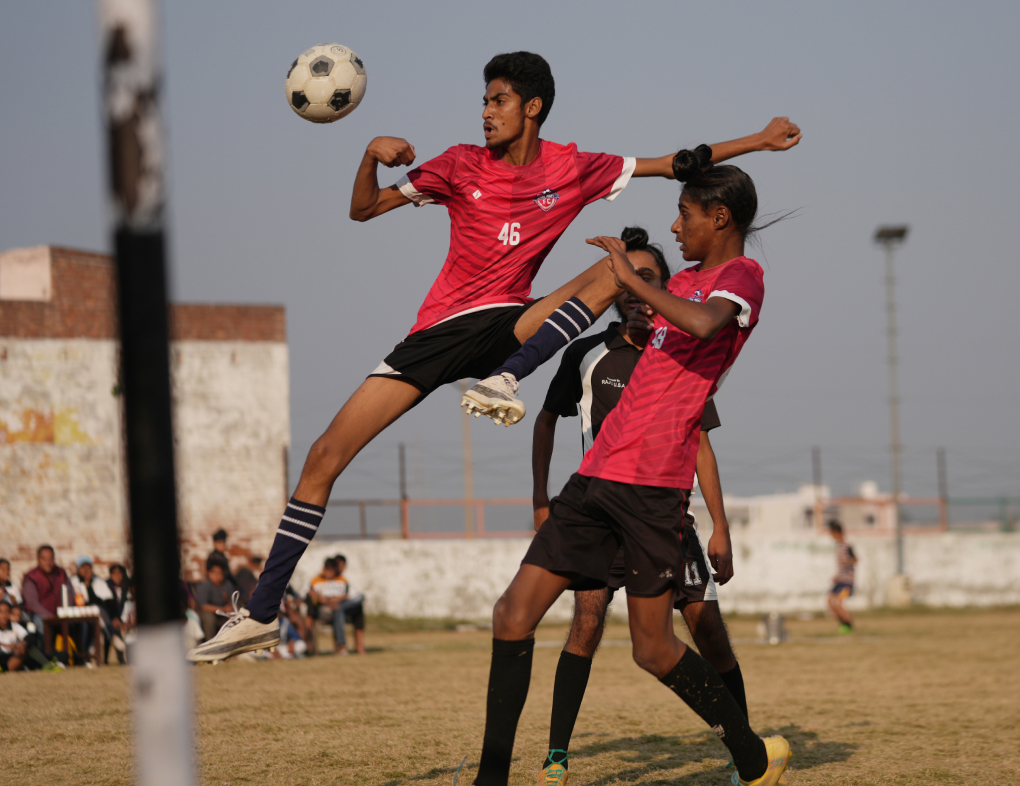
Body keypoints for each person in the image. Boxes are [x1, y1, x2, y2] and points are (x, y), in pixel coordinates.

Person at [186, 51, 800, 662]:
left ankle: (509, 377)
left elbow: (678, 164)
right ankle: (261, 615)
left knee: (630, 267)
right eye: (483, 101)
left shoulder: (575, 166)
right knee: (324, 456)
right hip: (441, 333)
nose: (485, 112)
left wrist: (760, 141)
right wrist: (369, 154)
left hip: (512, 324)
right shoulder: (457, 164)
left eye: (497, 100)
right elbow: (364, 208)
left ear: (532, 107)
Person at [469, 149, 791, 786]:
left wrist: (634, 277)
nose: (676, 228)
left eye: (684, 214)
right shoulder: (673, 287)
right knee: (512, 615)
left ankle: (754, 758)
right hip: (595, 477)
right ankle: (491, 778)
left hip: (652, 488)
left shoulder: (743, 275)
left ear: (719, 217)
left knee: (654, 649)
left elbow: (702, 325)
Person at [530, 228, 748, 785]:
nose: (634, 291)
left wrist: (720, 525)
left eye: (648, 279)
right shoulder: (585, 353)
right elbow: (548, 420)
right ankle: (557, 757)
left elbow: (699, 440)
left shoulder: (683, 345)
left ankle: (743, 749)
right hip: (600, 514)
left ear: (664, 287)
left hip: (664, 515)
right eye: (627, 280)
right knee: (585, 624)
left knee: (708, 629)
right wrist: (541, 501)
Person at [307, 557, 366, 655]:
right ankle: (342, 645)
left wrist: (337, 600)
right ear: (324, 569)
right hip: (324, 610)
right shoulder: (316, 580)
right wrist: (327, 601)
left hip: (339, 606)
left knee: (359, 599)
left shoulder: (342, 580)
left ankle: (345, 646)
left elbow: (348, 595)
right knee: (337, 609)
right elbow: (310, 594)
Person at [22, 545, 73, 633]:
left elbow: (70, 594)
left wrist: (67, 612)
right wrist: (50, 617)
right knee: (43, 625)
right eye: (44, 559)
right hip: (41, 615)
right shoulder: (31, 577)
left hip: (61, 614)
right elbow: (33, 604)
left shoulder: (60, 573)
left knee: (80, 624)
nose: (47, 563)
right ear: (38, 560)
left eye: (50, 559)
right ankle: (45, 647)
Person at [194, 559, 239, 643]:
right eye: (214, 573)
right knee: (209, 618)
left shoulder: (227, 584)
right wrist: (223, 609)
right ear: (209, 573)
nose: (217, 576)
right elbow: (204, 606)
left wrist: (230, 608)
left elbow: (233, 601)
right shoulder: (204, 585)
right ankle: (210, 642)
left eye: (220, 573)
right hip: (208, 612)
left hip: (223, 613)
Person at [827, 521, 857, 634]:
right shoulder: (838, 546)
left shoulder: (847, 545)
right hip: (839, 580)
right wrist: (836, 576)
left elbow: (855, 560)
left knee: (838, 602)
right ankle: (842, 623)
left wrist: (847, 562)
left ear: (837, 532)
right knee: (829, 600)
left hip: (847, 582)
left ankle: (849, 624)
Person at [0, 599, 28, 673]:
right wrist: (7, 645)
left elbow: (28, 637)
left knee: (23, 650)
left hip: (11, 657)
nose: (4, 615)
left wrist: (23, 644)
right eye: (1, 612)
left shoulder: (14, 626)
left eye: (7, 612)